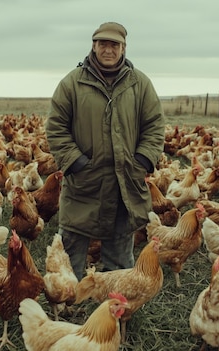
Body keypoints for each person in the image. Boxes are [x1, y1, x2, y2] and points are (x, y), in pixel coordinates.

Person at [45, 22, 165, 280]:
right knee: (71, 248)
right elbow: (56, 127)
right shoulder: (72, 83)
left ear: (123, 48)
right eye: (103, 44)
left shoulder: (140, 84)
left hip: (125, 182)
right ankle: (68, 305)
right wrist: (75, 162)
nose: (108, 49)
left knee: (120, 251)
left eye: (114, 44)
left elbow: (154, 124)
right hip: (84, 181)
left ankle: (116, 307)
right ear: (93, 45)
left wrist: (142, 159)